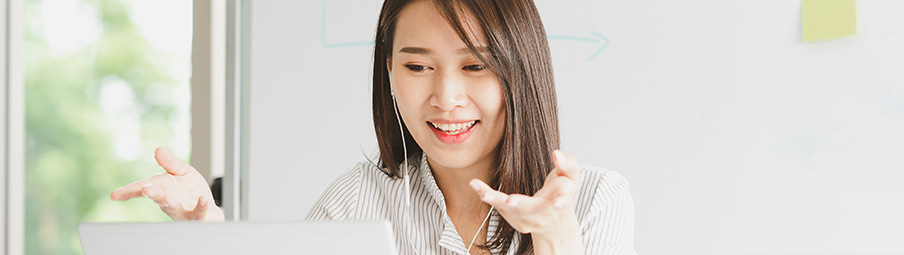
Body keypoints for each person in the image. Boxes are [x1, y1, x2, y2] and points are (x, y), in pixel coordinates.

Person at [108, 0, 637, 254]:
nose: (445, 98)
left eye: (475, 66)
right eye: (416, 66)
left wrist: (555, 239)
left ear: (522, 74)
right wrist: (209, 237)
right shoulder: (357, 202)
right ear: (389, 72)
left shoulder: (596, 201)